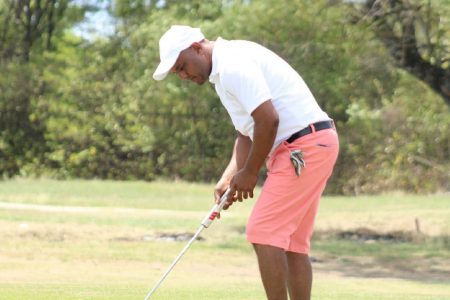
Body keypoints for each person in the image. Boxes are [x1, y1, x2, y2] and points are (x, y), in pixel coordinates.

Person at [153, 25, 339, 300]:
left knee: (263, 232)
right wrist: (230, 176)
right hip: (315, 143)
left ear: (196, 47)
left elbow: (269, 120)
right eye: (176, 73)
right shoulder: (222, 73)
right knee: (292, 245)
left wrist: (250, 172)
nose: (183, 75)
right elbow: (247, 134)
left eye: (181, 66)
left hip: (303, 146)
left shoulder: (232, 64)